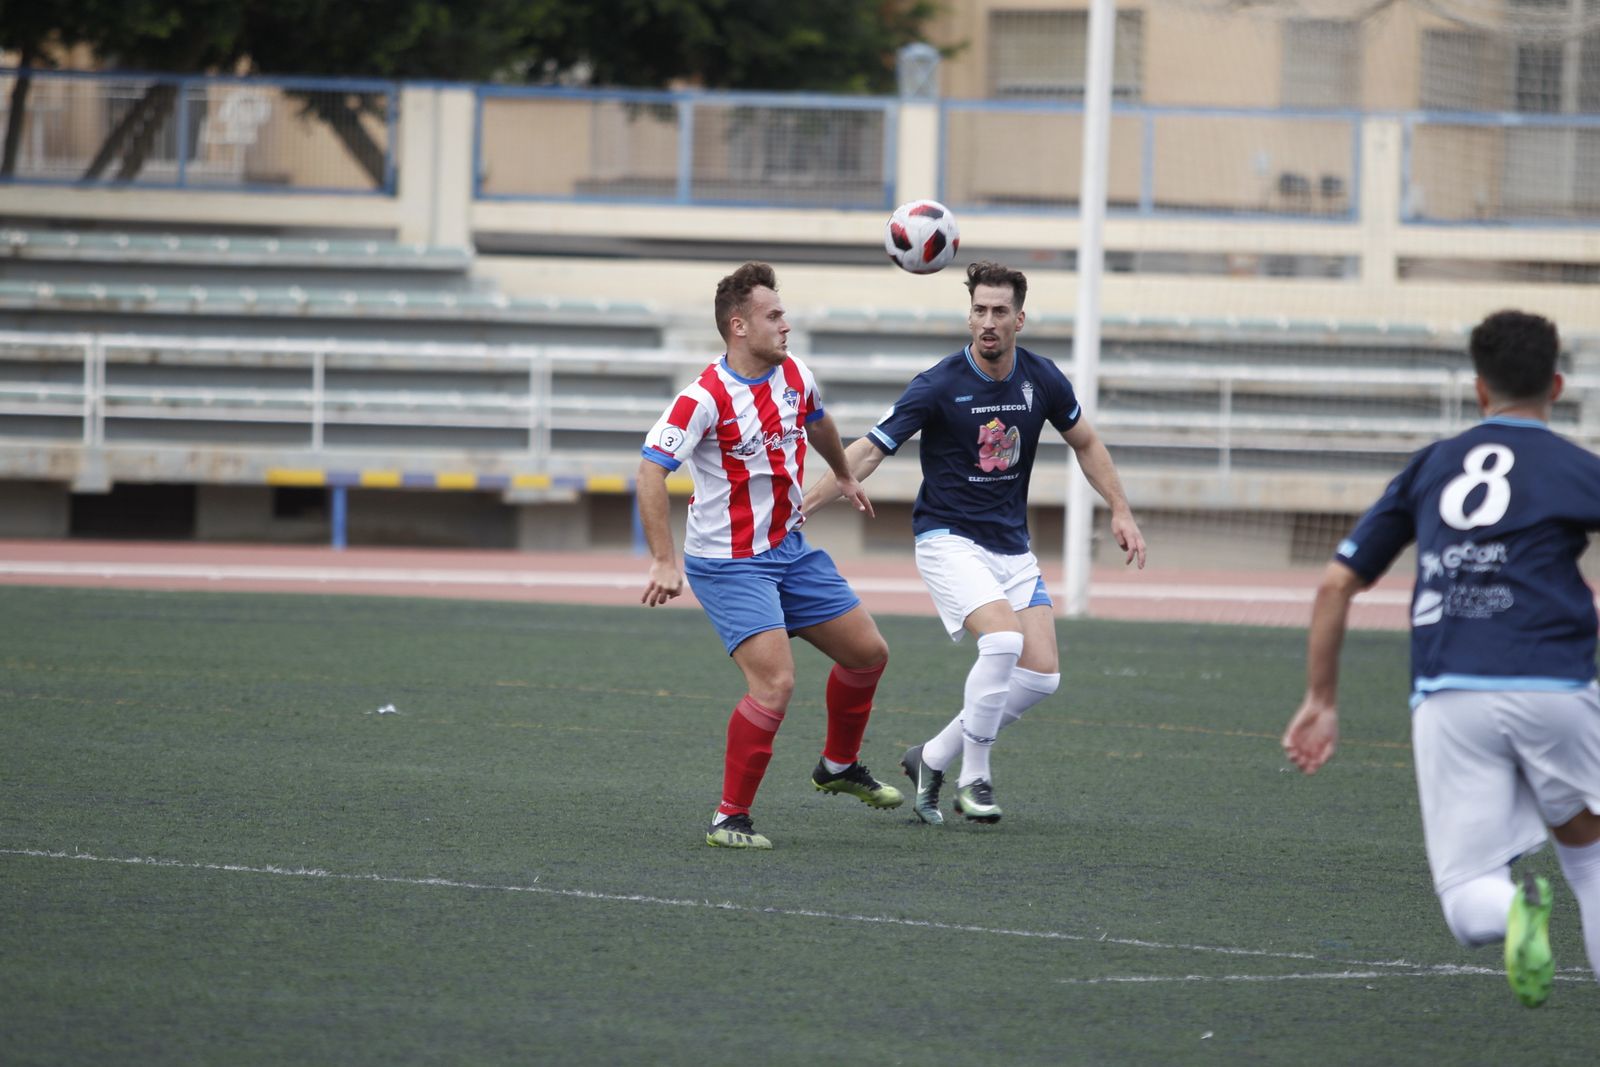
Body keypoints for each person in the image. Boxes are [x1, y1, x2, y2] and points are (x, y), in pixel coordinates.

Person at [1282, 309, 1600, 1008]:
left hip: (1450, 692)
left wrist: (1322, 699)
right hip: (1556, 684)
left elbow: (1336, 583)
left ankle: (1515, 913)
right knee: (1592, 855)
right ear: (1556, 385)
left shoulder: (1433, 463)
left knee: (1466, 894)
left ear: (1480, 390)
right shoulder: (1579, 468)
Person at [803, 261, 1146, 825]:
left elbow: (1086, 442)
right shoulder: (939, 383)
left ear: (1020, 320)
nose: (988, 321)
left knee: (1041, 677)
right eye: (979, 310)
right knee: (1004, 644)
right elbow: (870, 448)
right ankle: (975, 778)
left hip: (1011, 546)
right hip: (947, 539)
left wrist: (1122, 510)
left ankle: (931, 756)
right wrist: (802, 509)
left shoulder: (1043, 379)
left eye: (1000, 312)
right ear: (969, 315)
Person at [638, 261, 903, 850]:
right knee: (775, 684)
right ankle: (729, 818)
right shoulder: (702, 397)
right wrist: (663, 559)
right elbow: (651, 471)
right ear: (739, 326)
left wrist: (841, 472)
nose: (787, 324)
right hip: (729, 563)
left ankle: (837, 766)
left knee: (867, 655)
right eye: (774, 315)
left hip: (790, 550)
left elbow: (818, 420)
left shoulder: (795, 374)